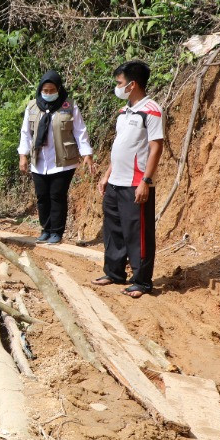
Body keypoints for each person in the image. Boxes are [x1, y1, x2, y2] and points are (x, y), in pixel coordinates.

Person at [96, 60, 164, 297]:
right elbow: (119, 147)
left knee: (138, 234)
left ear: (132, 84)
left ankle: (142, 281)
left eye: (120, 83)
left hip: (136, 183)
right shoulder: (124, 112)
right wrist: (107, 175)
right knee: (114, 229)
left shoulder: (151, 110)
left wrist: (146, 181)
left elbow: (156, 147)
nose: (117, 87)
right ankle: (114, 272)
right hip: (116, 181)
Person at [18, 71, 94, 243]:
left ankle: (56, 232)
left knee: (57, 196)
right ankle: (46, 229)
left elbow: (80, 131)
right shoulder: (32, 107)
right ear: (40, 89)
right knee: (42, 197)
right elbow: (26, 134)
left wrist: (87, 154)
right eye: (45, 90)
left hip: (63, 161)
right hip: (39, 160)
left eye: (52, 90)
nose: (49, 93)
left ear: (59, 89)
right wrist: (23, 156)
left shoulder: (69, 106)